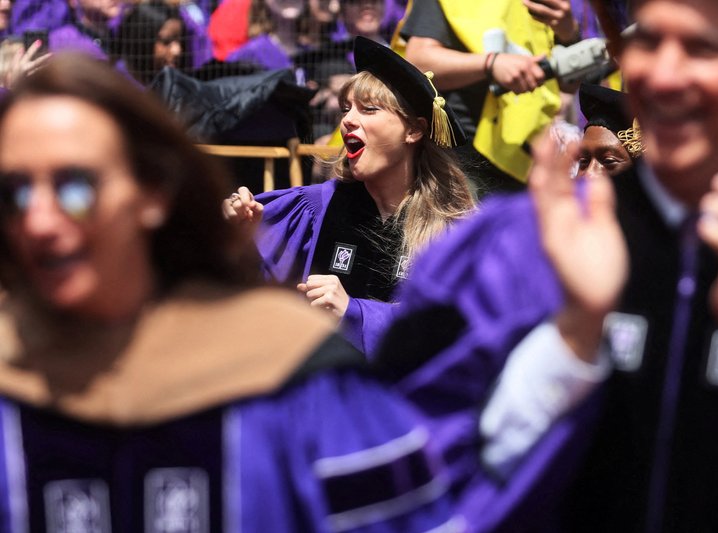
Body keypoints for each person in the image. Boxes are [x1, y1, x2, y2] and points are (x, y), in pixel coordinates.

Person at [373, 0, 718, 531]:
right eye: (647, 41)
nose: (662, 76)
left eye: (702, 47)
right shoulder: (515, 247)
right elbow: (412, 480)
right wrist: (571, 338)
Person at [0, 52, 459, 531]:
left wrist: (358, 312)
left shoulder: (294, 383)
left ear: (153, 194)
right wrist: (249, 240)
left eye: (76, 188)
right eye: (14, 193)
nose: (40, 221)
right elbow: (258, 278)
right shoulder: (12, 388)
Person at [224, 36, 474, 357]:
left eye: (369, 109)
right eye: (346, 108)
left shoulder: (453, 229)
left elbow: (452, 333)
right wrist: (241, 239)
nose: (347, 120)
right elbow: (260, 302)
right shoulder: (314, 209)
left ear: (414, 131)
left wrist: (354, 312)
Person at [399, 0, 580, 197]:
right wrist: (491, 63)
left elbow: (569, 86)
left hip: (530, 151)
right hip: (466, 155)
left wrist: (568, 32)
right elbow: (418, 61)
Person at [113, 0, 185, 86]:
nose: (177, 50)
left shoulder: (162, 82)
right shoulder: (120, 82)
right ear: (142, 38)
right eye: (166, 41)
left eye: (179, 41)